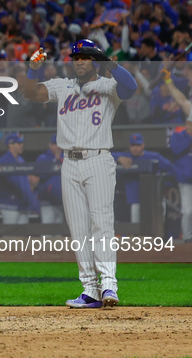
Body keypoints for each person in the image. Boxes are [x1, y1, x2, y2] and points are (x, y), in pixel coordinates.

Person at [24, 39, 138, 308]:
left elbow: (131, 87)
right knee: (78, 230)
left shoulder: (109, 86)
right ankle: (90, 290)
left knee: (102, 224)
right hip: (69, 162)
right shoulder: (63, 86)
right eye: (75, 58)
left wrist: (109, 63)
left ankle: (109, 285)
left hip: (98, 158)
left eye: (84, 57)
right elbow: (32, 93)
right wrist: (32, 70)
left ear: (94, 61)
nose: (79, 62)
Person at [112, 133, 175, 223]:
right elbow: (106, 155)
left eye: (138, 145)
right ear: (129, 146)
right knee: (136, 226)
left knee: (157, 224)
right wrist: (118, 158)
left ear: (143, 145)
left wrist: (166, 187)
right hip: (134, 199)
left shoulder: (154, 156)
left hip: (153, 198)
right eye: (133, 145)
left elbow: (171, 169)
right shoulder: (126, 157)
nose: (135, 148)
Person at [162, 69, 192, 243]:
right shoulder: (185, 132)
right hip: (186, 176)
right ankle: (188, 241)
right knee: (188, 211)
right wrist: (168, 82)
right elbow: (180, 99)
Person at [0, 133, 40, 224]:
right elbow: (13, 182)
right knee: (10, 235)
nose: (22, 145)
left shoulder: (21, 160)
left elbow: (25, 184)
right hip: (9, 204)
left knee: (23, 235)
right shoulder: (4, 160)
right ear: (10, 145)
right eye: (19, 143)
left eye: (22, 143)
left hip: (23, 205)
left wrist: (29, 200)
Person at [36, 134, 64, 224]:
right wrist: (55, 160)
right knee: (47, 231)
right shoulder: (43, 158)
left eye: (59, 144)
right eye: (55, 144)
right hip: (47, 200)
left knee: (59, 233)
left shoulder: (66, 158)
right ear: (50, 145)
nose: (58, 146)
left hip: (60, 201)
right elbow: (42, 175)